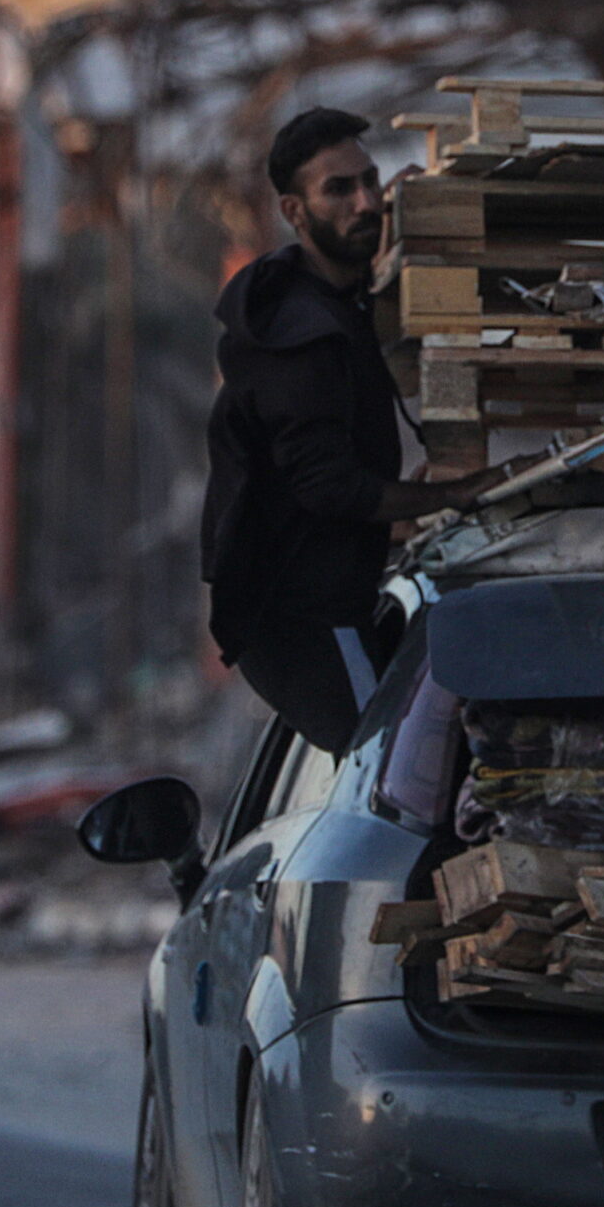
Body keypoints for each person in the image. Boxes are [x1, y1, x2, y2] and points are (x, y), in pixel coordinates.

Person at [201, 107, 498, 752]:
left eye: (371, 182)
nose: (364, 202)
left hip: (332, 598)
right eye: (339, 190)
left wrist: (418, 207)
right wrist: (449, 494)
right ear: (294, 212)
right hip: (306, 621)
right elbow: (329, 489)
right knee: (386, 761)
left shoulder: (331, 296)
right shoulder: (299, 332)